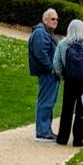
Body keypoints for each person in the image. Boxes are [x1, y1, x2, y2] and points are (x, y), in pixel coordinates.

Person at [53, 18, 83, 147]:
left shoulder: (62, 43)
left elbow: (56, 63)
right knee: (81, 110)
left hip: (70, 81)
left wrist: (63, 75)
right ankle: (77, 140)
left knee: (67, 109)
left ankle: (62, 138)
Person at [28, 8, 60, 140]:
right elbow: (40, 53)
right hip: (47, 73)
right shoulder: (41, 33)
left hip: (50, 73)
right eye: (53, 19)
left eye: (57, 19)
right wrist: (51, 68)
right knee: (46, 102)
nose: (55, 21)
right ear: (45, 19)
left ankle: (46, 129)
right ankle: (42, 131)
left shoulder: (46, 32)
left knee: (49, 102)